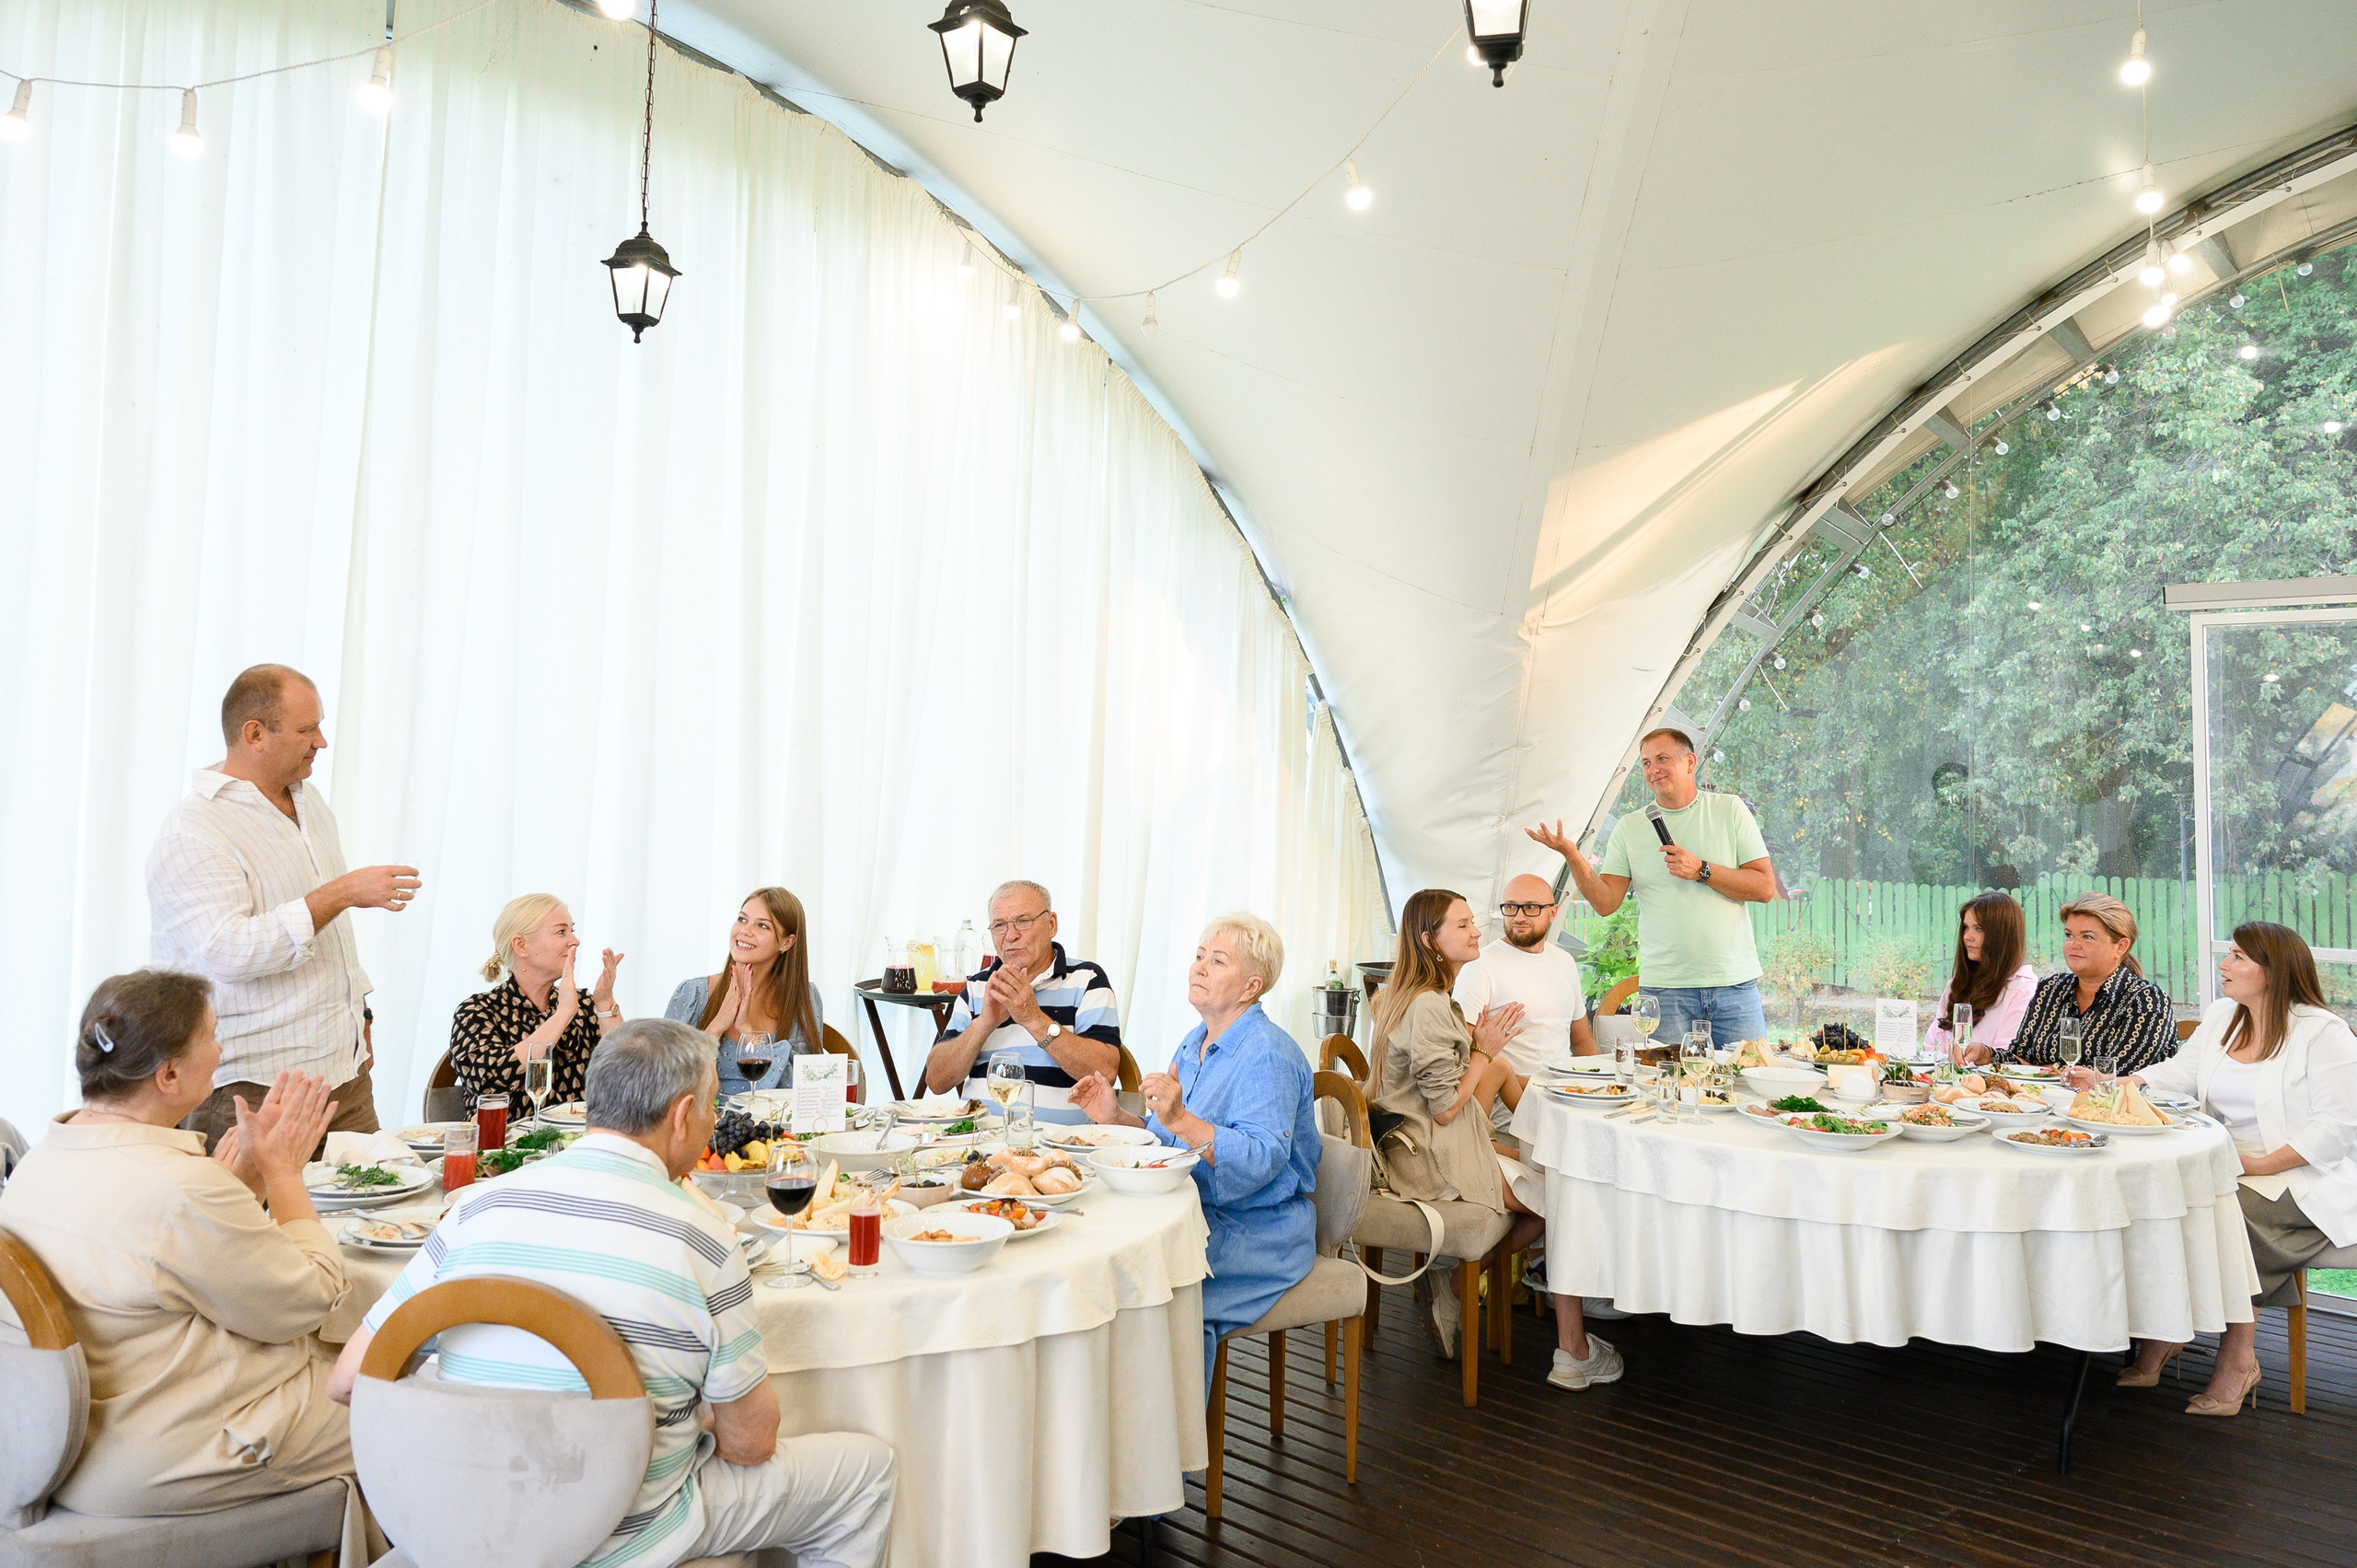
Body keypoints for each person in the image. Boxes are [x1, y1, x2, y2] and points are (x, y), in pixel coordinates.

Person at [330, 1019, 897, 1568]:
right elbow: (749, 1446)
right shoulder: (700, 1239)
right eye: (712, 1106)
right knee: (866, 1474)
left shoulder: (474, 1207)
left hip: (459, 1529)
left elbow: (348, 1379)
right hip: (622, 1537)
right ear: (682, 1116)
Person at [0, 971, 358, 1521]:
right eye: (211, 1037)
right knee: (403, 1401)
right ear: (168, 1074)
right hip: (172, 1450)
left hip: (61, 1443)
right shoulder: (179, 1188)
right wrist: (284, 1173)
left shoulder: (42, 1160)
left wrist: (242, 1188)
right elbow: (309, 1301)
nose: (220, 1052)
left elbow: (154, 1268)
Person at [148, 664, 420, 1151]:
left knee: (369, 1217)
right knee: (248, 1225)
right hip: (252, 1091)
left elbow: (333, 942)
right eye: (306, 729)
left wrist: (361, 1017)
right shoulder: (193, 831)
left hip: (344, 1079)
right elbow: (229, 952)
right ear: (254, 734)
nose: (321, 741)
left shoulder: (309, 800)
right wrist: (341, 893)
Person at [1366, 889, 1622, 1390]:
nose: (1477, 931)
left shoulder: (1407, 993)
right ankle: (1572, 1350)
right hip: (1428, 1159)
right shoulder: (1429, 1006)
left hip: (1410, 1145)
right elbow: (1443, 1111)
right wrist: (1483, 1050)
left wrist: (1487, 1056)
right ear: (1429, 939)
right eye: (1462, 925)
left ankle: (1457, 1282)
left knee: (1551, 1177)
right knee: (1563, 1198)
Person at [2112, 923, 2357, 1416]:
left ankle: (2237, 1357)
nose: (2224, 965)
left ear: (2274, 971)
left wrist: (2262, 1164)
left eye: (2239, 957)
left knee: (2225, 1213)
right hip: (2225, 1162)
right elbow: (2178, 1075)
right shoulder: (2224, 1015)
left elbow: (2339, 1127)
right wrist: (2122, 1080)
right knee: (2161, 1202)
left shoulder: (2321, 1030)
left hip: (2306, 1173)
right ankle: (2168, 1328)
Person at [1069, 913, 1318, 1391]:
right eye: (1199, 956)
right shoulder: (1195, 1041)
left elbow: (1260, 1161)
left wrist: (1181, 1118)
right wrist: (1116, 1117)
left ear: (1251, 986)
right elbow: (1169, 1139)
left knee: (1153, 1289)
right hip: (1196, 1213)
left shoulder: (1267, 1054)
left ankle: (1169, 1461)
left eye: (1217, 960)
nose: (1199, 968)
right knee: (1110, 1266)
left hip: (1258, 1230)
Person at [1534, 726, 1777, 1046]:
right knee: (1667, 1090)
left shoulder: (1729, 810)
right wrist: (1572, 855)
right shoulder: (1631, 827)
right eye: (1646, 763)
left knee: (1743, 1083)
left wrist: (1702, 870)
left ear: (1690, 762)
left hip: (1734, 985)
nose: (1653, 769)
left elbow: (1764, 887)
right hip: (1665, 989)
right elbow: (1606, 903)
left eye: (1662, 759)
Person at [921, 880, 1121, 1125]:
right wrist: (985, 1023)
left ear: (1051, 924)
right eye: (999, 925)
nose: (1011, 935)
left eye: (1023, 921)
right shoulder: (976, 987)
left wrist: (1032, 1018)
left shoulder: (1087, 979)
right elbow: (936, 1081)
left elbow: (1106, 1072)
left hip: (1061, 1147)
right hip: (978, 1142)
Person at [448, 895, 624, 1106]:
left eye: (572, 930)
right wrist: (562, 1015)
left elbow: (630, 1076)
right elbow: (489, 1084)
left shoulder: (585, 1003)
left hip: (578, 1138)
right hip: (507, 1138)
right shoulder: (476, 1011)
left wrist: (605, 1003)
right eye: (561, 932)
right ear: (521, 945)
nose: (575, 941)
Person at [665, 889, 825, 1096]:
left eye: (762, 925)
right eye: (742, 919)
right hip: (706, 1123)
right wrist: (717, 1026)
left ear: (787, 942)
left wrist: (748, 1031)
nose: (745, 931)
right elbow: (664, 1082)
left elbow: (809, 1089)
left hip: (775, 1124)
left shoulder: (804, 999)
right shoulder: (693, 994)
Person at [2007, 893, 2177, 1078]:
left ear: (2120, 947)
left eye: (2087, 937)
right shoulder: (2050, 989)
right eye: (2069, 935)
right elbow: (2019, 1058)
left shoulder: (2146, 1000)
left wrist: (2044, 1069)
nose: (2074, 945)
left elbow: (2111, 1076)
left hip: (2113, 1105)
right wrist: (1986, 1054)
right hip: (2043, 1101)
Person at [1924, 891, 2038, 1062]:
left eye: (1978, 928)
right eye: (1966, 927)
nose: (1967, 937)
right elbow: (1931, 1046)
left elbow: (2007, 1058)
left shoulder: (2025, 989)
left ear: (2003, 934)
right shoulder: (1957, 984)